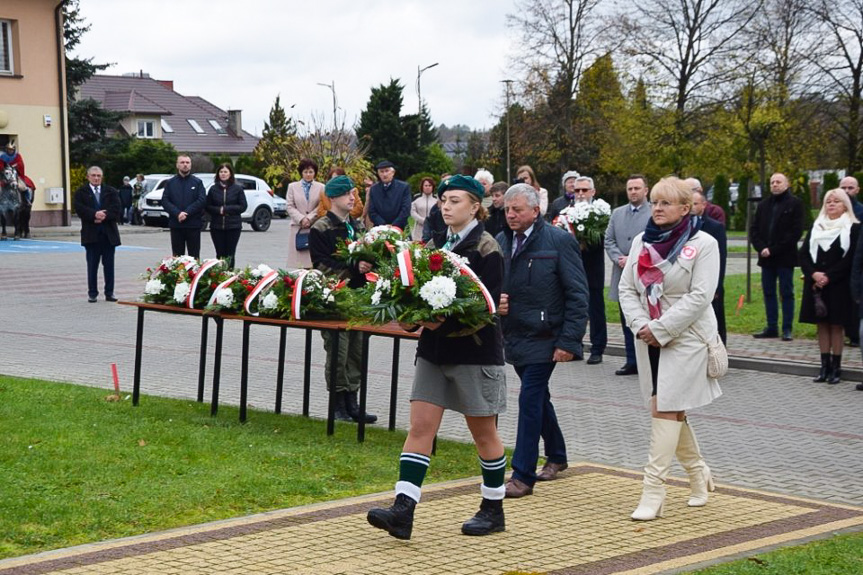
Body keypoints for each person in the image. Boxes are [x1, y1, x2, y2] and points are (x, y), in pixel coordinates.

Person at [367, 175, 508, 539]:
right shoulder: (434, 243)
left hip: (474, 354)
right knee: (420, 428)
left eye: (455, 200)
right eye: (444, 199)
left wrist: (437, 319)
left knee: (483, 435)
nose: (446, 206)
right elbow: (414, 288)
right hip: (433, 351)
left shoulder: (487, 248)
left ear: (476, 206)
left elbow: (485, 308)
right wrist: (409, 314)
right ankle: (403, 509)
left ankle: (493, 508)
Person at [618, 176, 722, 521]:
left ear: (685, 207)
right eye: (655, 202)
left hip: (687, 335)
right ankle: (698, 473)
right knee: (669, 409)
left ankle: (653, 491)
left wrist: (661, 328)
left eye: (666, 203)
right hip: (648, 335)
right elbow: (627, 289)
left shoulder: (703, 243)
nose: (658, 209)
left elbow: (700, 295)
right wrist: (641, 326)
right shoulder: (640, 242)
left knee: (664, 408)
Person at [496, 183, 588, 498]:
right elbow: (495, 283)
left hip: (547, 336)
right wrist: (498, 302)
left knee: (529, 399)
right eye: (507, 209)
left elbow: (578, 293)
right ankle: (558, 455)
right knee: (539, 399)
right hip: (516, 334)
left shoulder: (559, 241)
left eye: (517, 209)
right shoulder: (500, 241)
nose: (511, 215)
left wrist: (569, 340)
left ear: (536, 211)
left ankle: (522, 475)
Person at [309, 175, 378, 424]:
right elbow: (320, 264)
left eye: (355, 194)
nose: (353, 198)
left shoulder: (357, 226)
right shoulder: (320, 228)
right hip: (336, 299)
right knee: (338, 350)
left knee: (357, 350)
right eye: (348, 194)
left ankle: (353, 402)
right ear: (333, 198)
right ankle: (337, 402)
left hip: (359, 298)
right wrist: (352, 266)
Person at [800, 189, 860, 384]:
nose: (832, 204)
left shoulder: (853, 228)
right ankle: (824, 365)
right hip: (816, 284)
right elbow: (804, 255)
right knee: (821, 325)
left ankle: (836, 367)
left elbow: (852, 257)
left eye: (836, 201)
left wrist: (829, 276)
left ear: (845, 206)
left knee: (836, 325)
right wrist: (813, 274)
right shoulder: (817, 226)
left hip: (838, 284)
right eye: (828, 202)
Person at [605, 175, 653, 375]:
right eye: (630, 188)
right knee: (626, 318)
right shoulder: (617, 213)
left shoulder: (653, 212)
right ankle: (631, 360)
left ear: (646, 190)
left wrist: (633, 259)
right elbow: (609, 240)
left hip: (645, 273)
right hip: (622, 272)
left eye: (637, 188)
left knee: (645, 317)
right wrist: (619, 258)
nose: (633, 192)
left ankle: (648, 362)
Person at [750, 172, 805, 341]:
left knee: (786, 292)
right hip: (766, 257)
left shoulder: (795, 204)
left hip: (784, 256)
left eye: (778, 182)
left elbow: (795, 232)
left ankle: (787, 328)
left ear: (787, 184)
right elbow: (754, 230)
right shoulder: (764, 205)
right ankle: (771, 326)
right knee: (768, 292)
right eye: (772, 182)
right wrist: (761, 248)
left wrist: (773, 249)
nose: (775, 184)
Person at [568, 175, 607, 364]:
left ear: (593, 192)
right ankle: (575, 346)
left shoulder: (600, 212)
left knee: (596, 310)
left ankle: (598, 348)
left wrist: (587, 241)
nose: (581, 194)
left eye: (584, 190)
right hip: (572, 270)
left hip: (592, 269)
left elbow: (603, 239)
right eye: (577, 190)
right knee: (573, 310)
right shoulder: (567, 212)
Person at [73, 166, 122, 303]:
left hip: (108, 235)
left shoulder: (111, 191)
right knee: (92, 266)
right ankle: (92, 293)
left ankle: (109, 292)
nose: (96, 178)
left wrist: (104, 216)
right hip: (91, 235)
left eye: (99, 176)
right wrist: (93, 214)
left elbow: (116, 208)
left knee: (109, 266)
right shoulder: (81, 192)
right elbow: (80, 209)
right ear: (88, 177)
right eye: (93, 175)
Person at [692, 189, 728, 344]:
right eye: (688, 203)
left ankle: (719, 351)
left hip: (711, 282)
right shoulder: (681, 226)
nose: (691, 207)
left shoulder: (715, 227)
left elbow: (721, 258)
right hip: (692, 281)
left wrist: (716, 286)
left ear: (703, 205)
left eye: (695, 203)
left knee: (715, 319)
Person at [162, 154, 207, 258]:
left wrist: (187, 212)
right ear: (177, 165)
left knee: (194, 257)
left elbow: (201, 200)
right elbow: (165, 201)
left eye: (187, 162)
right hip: (176, 225)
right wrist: (177, 213)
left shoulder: (197, 182)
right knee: (177, 258)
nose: (185, 165)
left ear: (191, 165)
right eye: (182, 162)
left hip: (193, 225)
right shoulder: (170, 183)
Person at [205, 163, 247, 269]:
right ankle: (220, 275)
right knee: (220, 253)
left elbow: (243, 206)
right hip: (216, 226)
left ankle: (229, 274)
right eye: (221, 172)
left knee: (230, 254)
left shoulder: (237, 189)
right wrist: (219, 210)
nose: (223, 174)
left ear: (230, 174)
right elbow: (207, 206)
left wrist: (226, 209)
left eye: (225, 172)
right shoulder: (213, 189)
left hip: (233, 226)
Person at [286, 159, 324, 269]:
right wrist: (301, 219)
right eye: (305, 172)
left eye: (311, 172)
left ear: (315, 173)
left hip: (314, 226)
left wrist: (309, 218)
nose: (308, 175)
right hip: (298, 226)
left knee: (312, 261)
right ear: (301, 173)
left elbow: (321, 205)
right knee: (299, 263)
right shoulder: (292, 187)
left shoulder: (321, 187)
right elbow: (289, 205)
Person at [840, 176, 863, 347]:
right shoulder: (834, 210)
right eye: (844, 187)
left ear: (857, 190)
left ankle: (854, 334)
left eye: (850, 188)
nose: (847, 191)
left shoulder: (860, 211)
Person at [0, 142, 35, 238]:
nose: (10, 151)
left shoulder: (17, 156)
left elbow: (21, 165)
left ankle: (26, 200)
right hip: (4, 176)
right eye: (8, 149)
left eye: (11, 150)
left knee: (23, 187)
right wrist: (3, 168)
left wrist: (15, 167)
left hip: (15, 176)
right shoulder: (2, 157)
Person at [368, 160, 411, 230]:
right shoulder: (374, 189)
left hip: (400, 227)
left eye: (387, 171)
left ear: (393, 172)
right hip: (380, 229)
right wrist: (384, 225)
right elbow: (372, 211)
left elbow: (406, 209)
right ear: (378, 174)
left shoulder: (403, 187)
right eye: (381, 171)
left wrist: (394, 225)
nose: (384, 174)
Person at [410, 177, 436, 241]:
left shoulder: (436, 201)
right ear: (422, 187)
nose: (428, 187)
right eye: (426, 185)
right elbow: (412, 212)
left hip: (433, 228)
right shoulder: (416, 200)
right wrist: (422, 220)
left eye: (430, 185)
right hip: (419, 228)